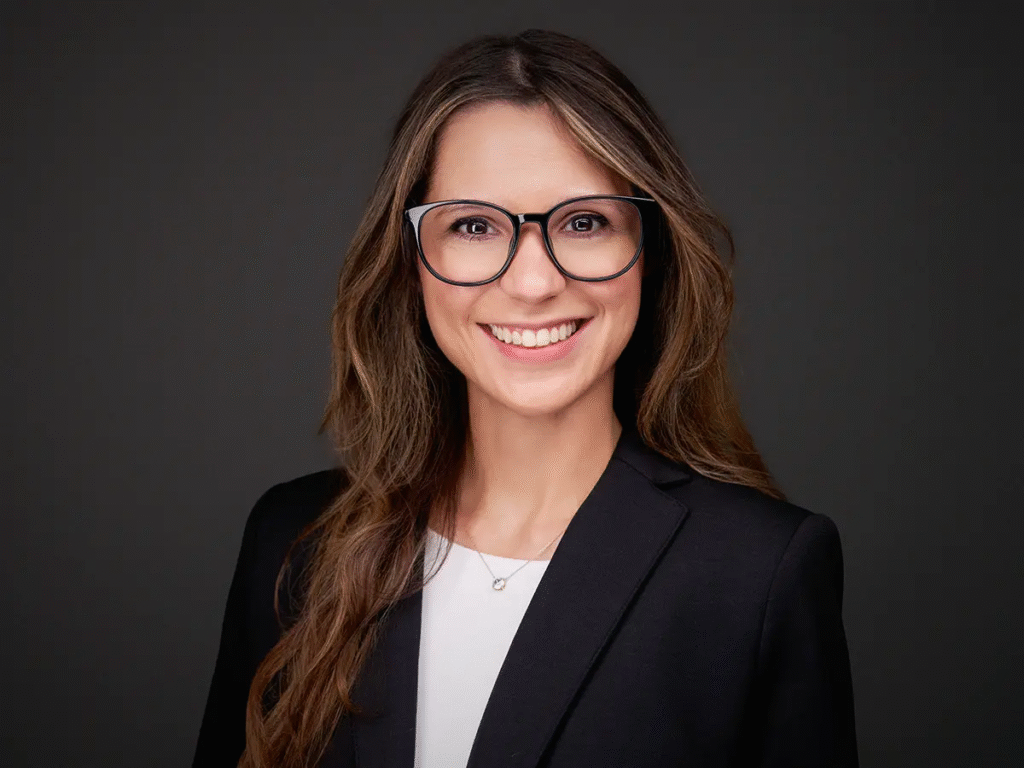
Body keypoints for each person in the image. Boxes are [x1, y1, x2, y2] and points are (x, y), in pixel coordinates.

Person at [193, 28, 858, 768]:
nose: (535, 283)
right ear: (412, 261)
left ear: (651, 251)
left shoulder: (757, 572)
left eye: (585, 222)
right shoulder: (293, 543)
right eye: (474, 225)